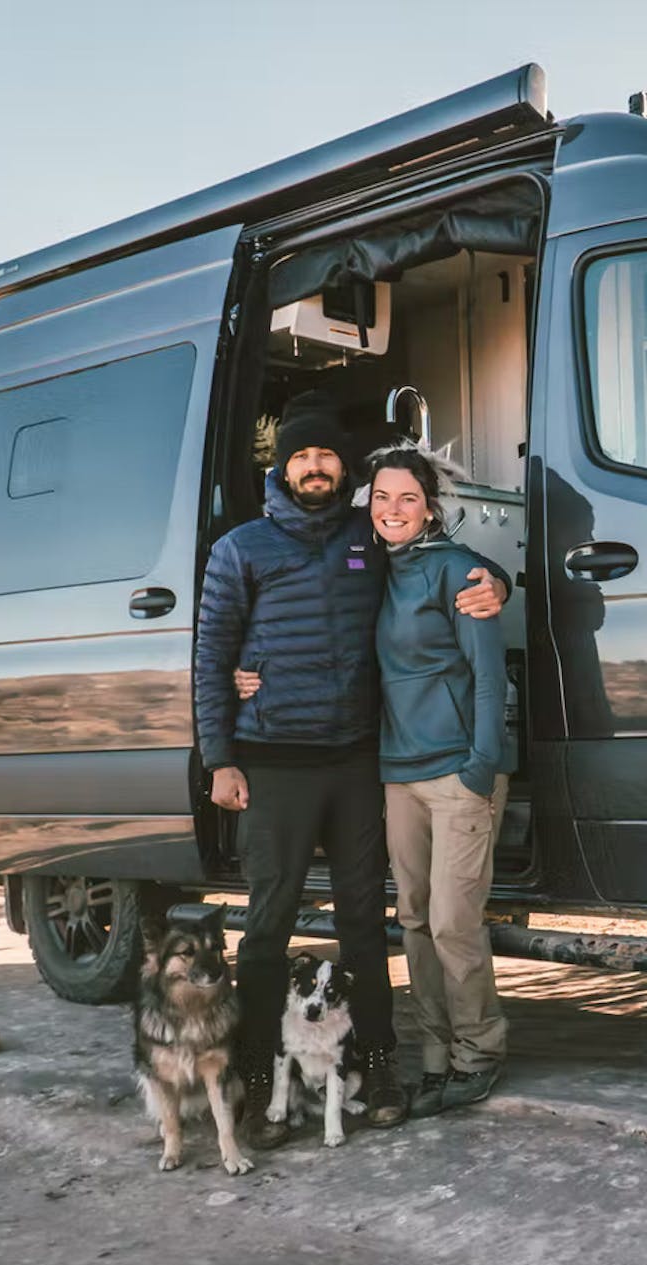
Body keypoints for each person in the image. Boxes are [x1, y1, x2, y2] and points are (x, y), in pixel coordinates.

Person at [194, 390, 507, 1149]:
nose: (312, 466)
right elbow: (210, 656)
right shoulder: (241, 549)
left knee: (367, 924)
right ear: (283, 467)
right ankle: (261, 1081)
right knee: (267, 925)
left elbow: (437, 567)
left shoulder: (366, 543)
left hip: (358, 760)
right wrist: (220, 756)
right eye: (299, 455)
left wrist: (499, 578)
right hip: (275, 763)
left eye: (324, 454)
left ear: (343, 469)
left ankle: (380, 1066)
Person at [369, 444, 511, 1117]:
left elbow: (490, 677)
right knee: (418, 920)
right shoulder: (369, 573)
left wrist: (481, 765)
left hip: (459, 773)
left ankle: (478, 1051)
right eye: (381, 498)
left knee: (456, 921)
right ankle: (434, 1055)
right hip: (400, 777)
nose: (393, 510)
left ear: (430, 506)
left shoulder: (462, 570)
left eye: (407, 497)